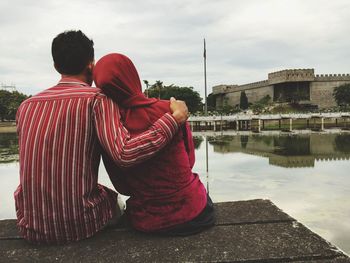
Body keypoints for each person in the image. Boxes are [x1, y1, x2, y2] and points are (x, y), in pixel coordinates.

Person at [14, 30, 189, 244]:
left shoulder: (26, 106)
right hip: (79, 226)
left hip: (30, 227)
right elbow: (124, 154)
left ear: (56, 66)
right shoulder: (96, 99)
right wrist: (173, 119)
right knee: (116, 201)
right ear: (91, 65)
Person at [93, 53, 215, 235]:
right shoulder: (172, 109)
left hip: (146, 220)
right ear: (132, 75)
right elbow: (189, 162)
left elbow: (122, 186)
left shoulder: (112, 128)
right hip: (193, 212)